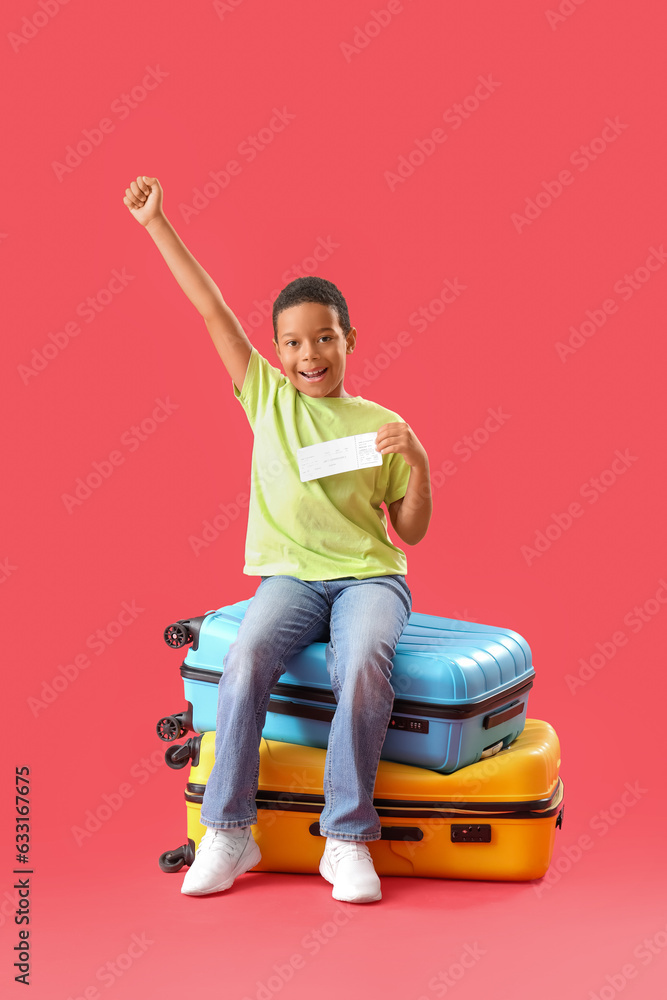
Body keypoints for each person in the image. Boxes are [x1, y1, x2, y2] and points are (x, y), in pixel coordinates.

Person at [123, 175, 432, 903]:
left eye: (324, 337)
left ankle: (347, 839)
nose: (309, 353)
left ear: (348, 339)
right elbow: (211, 309)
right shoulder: (266, 397)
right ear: (277, 352)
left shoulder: (380, 423)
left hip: (367, 578)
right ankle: (229, 831)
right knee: (247, 654)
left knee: (361, 663)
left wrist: (417, 460)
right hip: (289, 578)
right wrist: (157, 223)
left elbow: (409, 529)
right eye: (292, 343)